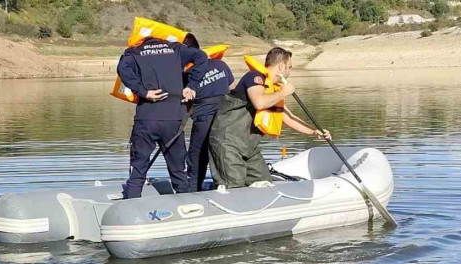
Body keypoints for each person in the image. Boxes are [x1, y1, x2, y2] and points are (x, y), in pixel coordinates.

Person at [208, 47, 331, 189]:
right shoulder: (255, 77)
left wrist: (315, 131)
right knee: (234, 186)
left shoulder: (273, 89)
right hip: (228, 143)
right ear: (281, 66)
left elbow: (289, 118)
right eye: (289, 68)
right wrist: (283, 92)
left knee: (265, 182)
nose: (289, 72)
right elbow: (259, 102)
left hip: (249, 146)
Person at [116, 36, 209, 199]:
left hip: (146, 118)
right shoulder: (176, 49)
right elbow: (201, 57)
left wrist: (142, 91)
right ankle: (187, 206)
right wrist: (191, 86)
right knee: (178, 171)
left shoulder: (134, 51)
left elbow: (122, 68)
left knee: (138, 169)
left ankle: (131, 204)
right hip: (172, 120)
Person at [182, 34, 234, 192]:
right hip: (227, 116)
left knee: (196, 156)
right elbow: (231, 88)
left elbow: (186, 100)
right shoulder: (220, 64)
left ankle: (192, 190)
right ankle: (229, 185)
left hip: (204, 118)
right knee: (223, 152)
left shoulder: (188, 74)